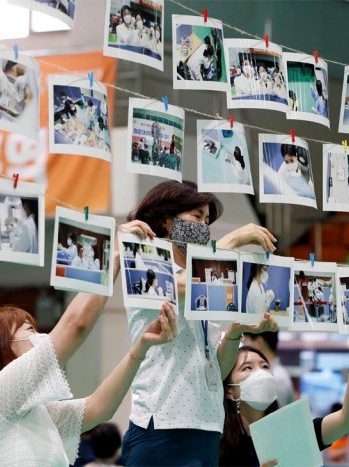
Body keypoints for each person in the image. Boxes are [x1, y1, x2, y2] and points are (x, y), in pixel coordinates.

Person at [109, 180, 279, 465]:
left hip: (207, 427)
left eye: (207, 220)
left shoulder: (207, 285)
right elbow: (183, 284)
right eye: (196, 216)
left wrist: (236, 332)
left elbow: (217, 367)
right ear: (166, 221)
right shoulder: (144, 260)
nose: (203, 225)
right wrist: (235, 240)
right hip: (160, 425)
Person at [0, 293, 177, 465]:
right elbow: (76, 325)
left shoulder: (38, 413)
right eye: (30, 330)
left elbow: (98, 408)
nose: (40, 338)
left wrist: (140, 347)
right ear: (0, 346)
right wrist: (111, 257)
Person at [219, 329, 349, 466]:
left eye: (265, 366)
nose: (261, 373)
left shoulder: (292, 432)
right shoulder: (217, 443)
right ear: (229, 391)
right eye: (247, 367)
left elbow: (347, 418)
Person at [242, 331, 295, 407]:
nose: (243, 347)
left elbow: (275, 417)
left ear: (259, 342)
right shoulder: (273, 375)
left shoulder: (276, 378)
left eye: (245, 341)